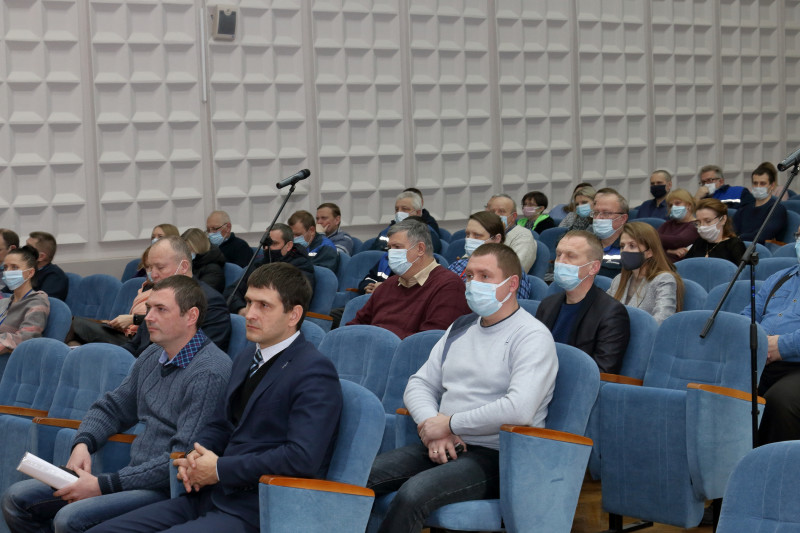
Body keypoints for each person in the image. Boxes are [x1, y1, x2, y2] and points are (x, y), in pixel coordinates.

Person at [87, 263, 343, 533]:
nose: (250, 313)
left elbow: (301, 458)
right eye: (249, 302)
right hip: (210, 495)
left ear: (294, 315)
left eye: (264, 306)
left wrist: (220, 468)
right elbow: (220, 424)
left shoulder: (314, 371)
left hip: (260, 507)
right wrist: (194, 459)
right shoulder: (247, 357)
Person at [2, 276, 231, 533]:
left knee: (69, 519)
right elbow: (112, 407)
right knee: (17, 499)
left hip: (167, 488)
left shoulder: (209, 372)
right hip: (132, 477)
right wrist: (83, 443)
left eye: (161, 309)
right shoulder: (153, 354)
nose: (148, 317)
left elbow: (180, 459)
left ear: (191, 316)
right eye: (149, 308)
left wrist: (102, 485)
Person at [367, 243, 558, 533]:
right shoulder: (460, 326)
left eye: (485, 276)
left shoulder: (531, 336)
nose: (473, 283)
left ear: (512, 284)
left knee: (413, 495)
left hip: (496, 456)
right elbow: (419, 383)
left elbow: (519, 409)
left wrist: (450, 423)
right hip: (442, 443)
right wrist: (433, 427)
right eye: (469, 276)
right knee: (360, 475)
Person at [348, 219, 470, 339]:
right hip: (369, 349)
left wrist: (376, 342)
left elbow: (429, 340)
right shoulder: (388, 284)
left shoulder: (449, 286)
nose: (390, 253)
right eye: (389, 248)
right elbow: (354, 326)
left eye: (397, 247)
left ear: (420, 249)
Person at [535, 230, 630, 373]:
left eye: (571, 256)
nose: (560, 261)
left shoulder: (611, 313)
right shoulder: (547, 304)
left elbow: (603, 371)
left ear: (594, 267)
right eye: (559, 254)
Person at [122, 236, 231, 357]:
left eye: (160, 267)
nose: (153, 275)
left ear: (183, 267)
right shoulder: (157, 298)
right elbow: (136, 344)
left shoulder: (210, 302)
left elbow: (203, 356)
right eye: (151, 268)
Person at [742, 226, 800, 444]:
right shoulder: (779, 278)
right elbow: (748, 316)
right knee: (721, 390)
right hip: (762, 360)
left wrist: (781, 347)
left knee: (779, 401)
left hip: (795, 365)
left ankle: (778, 464)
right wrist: (759, 343)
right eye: (799, 236)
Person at [68, 247, 153, 346]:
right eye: (148, 267)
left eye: (157, 267)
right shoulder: (145, 286)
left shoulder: (166, 291)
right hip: (128, 334)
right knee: (73, 335)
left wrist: (133, 319)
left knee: (76, 324)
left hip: (141, 342)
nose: (151, 271)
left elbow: (161, 319)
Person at [225, 223, 315, 316]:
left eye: (274, 243)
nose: (268, 248)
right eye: (266, 244)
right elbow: (232, 292)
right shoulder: (259, 264)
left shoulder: (301, 266)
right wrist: (241, 309)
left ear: (288, 246)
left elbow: (294, 299)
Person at [607, 222, 684, 324]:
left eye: (632, 246)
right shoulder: (618, 279)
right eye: (622, 246)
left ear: (649, 252)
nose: (624, 251)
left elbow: (662, 320)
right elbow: (603, 312)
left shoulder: (663, 279)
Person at [447, 211, 531, 299]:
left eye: (477, 235)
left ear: (496, 239)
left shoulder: (512, 271)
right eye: (468, 235)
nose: (469, 239)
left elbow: (514, 304)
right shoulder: (458, 264)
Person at [0, 245, 50, 354]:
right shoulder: (4, 302)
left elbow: (26, 338)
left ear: (30, 273)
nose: (8, 272)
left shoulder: (37, 302)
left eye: (14, 267)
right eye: (5, 267)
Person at [369, 191, 442, 254]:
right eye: (397, 209)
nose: (399, 212)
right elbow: (373, 256)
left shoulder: (428, 234)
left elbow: (426, 259)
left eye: (405, 209)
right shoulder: (385, 232)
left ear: (418, 212)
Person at [733, 162, 787, 243]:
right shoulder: (744, 209)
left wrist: (738, 238)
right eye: (755, 183)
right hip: (739, 245)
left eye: (762, 183)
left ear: (772, 186)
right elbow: (731, 231)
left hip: (760, 249)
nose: (758, 187)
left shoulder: (777, 209)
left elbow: (762, 236)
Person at [485, 194, 537, 272]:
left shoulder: (523, 236)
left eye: (501, 211)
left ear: (513, 217)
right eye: (492, 212)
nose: (495, 215)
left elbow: (515, 269)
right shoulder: (486, 233)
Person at [685, 198, 745, 264]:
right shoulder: (699, 242)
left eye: (708, 221)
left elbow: (742, 270)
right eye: (699, 222)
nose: (702, 226)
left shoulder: (734, 245)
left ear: (723, 219)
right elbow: (685, 266)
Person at [591, 188, 629, 278]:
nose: (598, 218)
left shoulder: (632, 247)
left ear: (622, 218)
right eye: (596, 213)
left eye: (606, 213)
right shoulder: (586, 244)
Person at [657, 188, 699, 263]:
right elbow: (651, 243)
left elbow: (678, 241)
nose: (673, 207)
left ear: (689, 205)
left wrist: (654, 237)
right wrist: (670, 251)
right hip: (660, 262)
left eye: (677, 203)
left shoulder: (695, 225)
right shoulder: (668, 224)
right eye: (671, 205)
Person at [27, 231, 69, 301]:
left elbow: (42, 302)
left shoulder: (54, 276)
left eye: (28, 249)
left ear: (41, 256)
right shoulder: (28, 270)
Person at [182, 228, 226, 293]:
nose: (186, 253)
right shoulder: (191, 263)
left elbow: (201, 294)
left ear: (199, 247)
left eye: (190, 249)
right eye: (184, 249)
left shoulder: (213, 270)